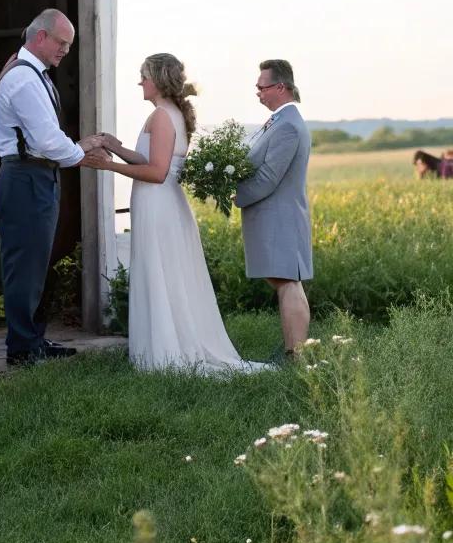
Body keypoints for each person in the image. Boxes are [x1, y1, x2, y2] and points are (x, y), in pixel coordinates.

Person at [99, 53, 268, 373]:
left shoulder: (163, 116)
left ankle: (165, 354)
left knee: (160, 273)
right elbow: (149, 158)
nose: (140, 82)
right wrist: (116, 147)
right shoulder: (169, 113)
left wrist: (107, 165)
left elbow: (157, 171)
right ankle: (163, 346)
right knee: (164, 273)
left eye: (144, 75)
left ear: (158, 80)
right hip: (160, 205)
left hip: (159, 205)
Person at [0, 7, 110, 366]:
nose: (65, 51)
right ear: (41, 36)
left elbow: (48, 138)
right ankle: (22, 348)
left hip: (37, 174)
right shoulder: (25, 79)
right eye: (62, 43)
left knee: (37, 260)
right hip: (26, 175)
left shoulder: (33, 74)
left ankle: (34, 339)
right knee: (24, 262)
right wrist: (79, 151)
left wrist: (78, 147)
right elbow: (46, 139)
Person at [234, 59, 313, 360]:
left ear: (281, 87)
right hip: (276, 218)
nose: (258, 93)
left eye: (261, 87)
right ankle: (296, 351)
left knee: (287, 283)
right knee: (287, 283)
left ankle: (296, 355)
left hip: (280, 218)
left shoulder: (288, 126)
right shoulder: (280, 121)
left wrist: (237, 195)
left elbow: (268, 177)